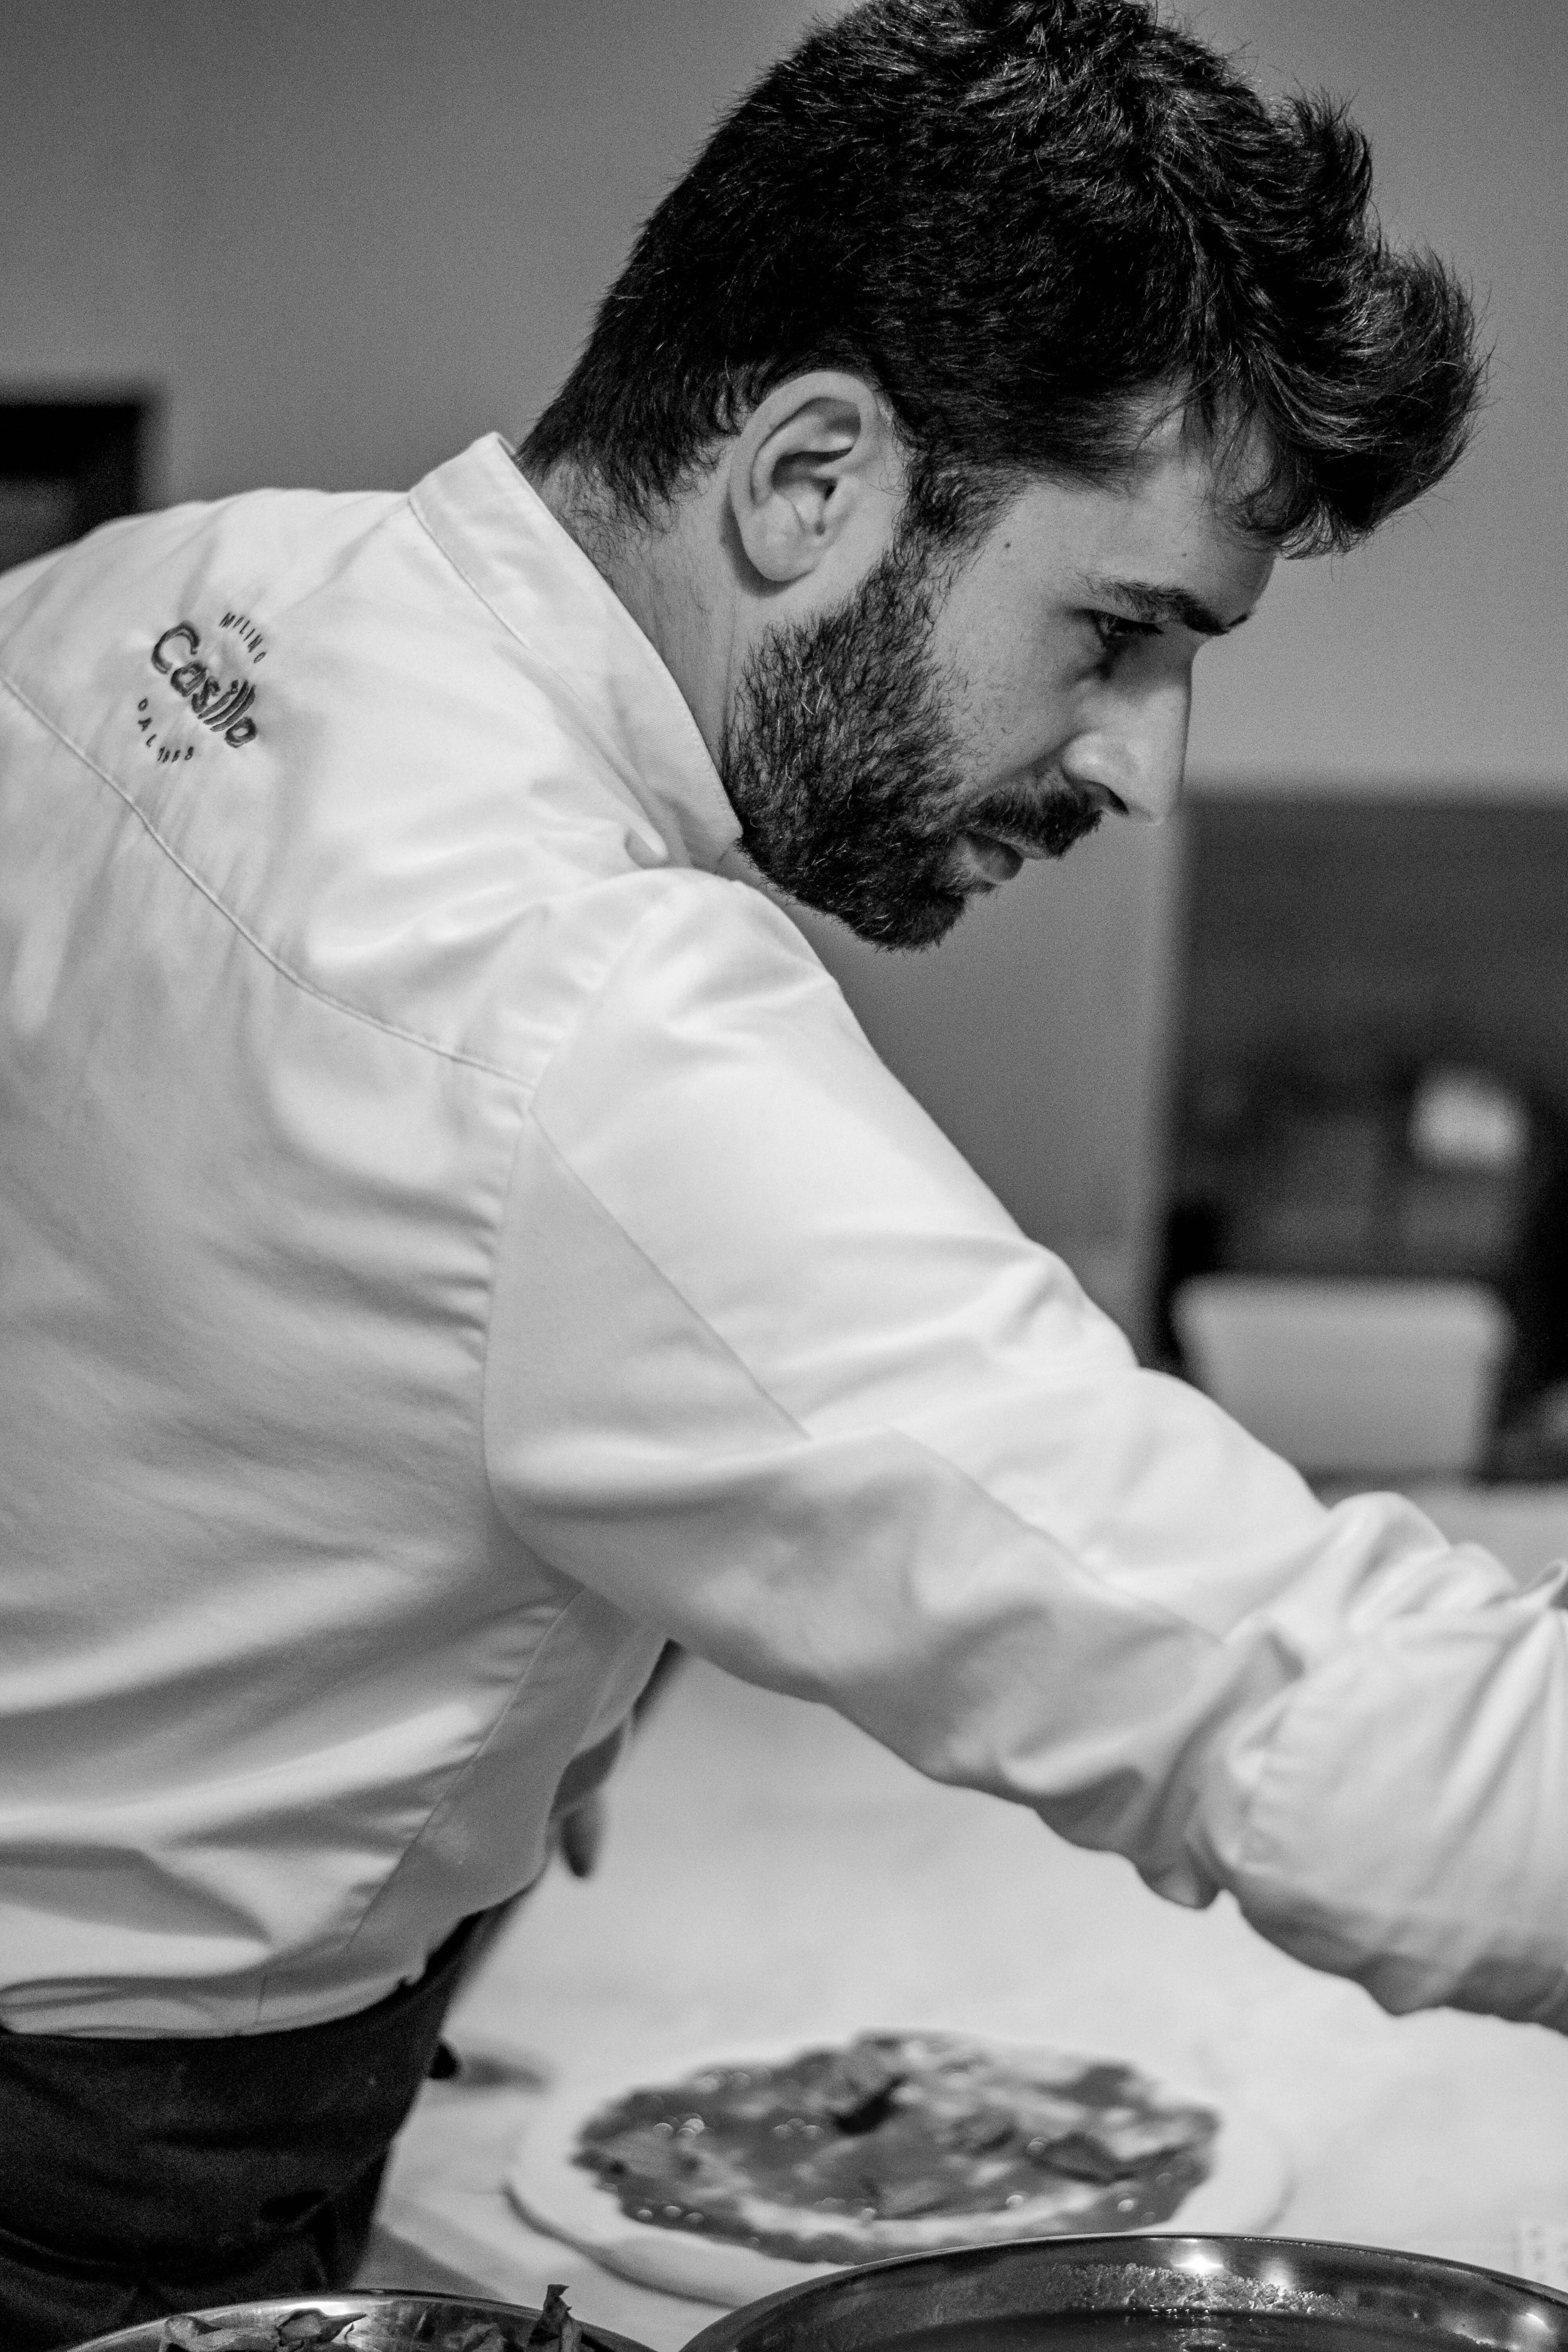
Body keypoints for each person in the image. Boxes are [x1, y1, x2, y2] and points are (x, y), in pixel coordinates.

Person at [0, 0, 1560, 2341]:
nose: (1137, 765)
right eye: (1119, 631)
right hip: (91, 2188)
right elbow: (1292, 1693)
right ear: (810, 478)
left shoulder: (149, 596)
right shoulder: (596, 1032)